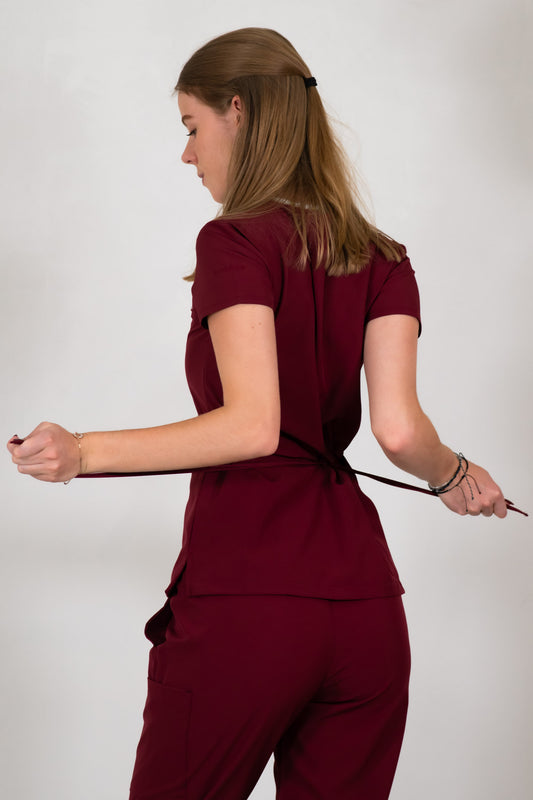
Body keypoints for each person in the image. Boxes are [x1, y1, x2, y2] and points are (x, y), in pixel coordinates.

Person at [7, 27, 508, 800]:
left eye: (190, 126)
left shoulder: (235, 242)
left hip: (248, 601)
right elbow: (401, 432)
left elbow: (250, 426)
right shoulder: (381, 256)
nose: (186, 153)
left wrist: (81, 450)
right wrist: (458, 478)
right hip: (365, 611)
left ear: (236, 110)